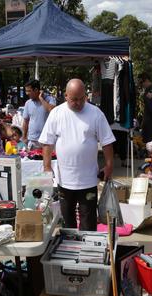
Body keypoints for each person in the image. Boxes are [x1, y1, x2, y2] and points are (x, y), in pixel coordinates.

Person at [39, 79, 115, 231]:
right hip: (64, 180)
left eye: (82, 99)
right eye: (74, 99)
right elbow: (47, 143)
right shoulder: (56, 113)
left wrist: (109, 165)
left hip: (88, 180)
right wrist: (47, 166)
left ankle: (88, 253)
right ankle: (70, 249)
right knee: (68, 222)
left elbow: (107, 142)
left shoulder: (95, 113)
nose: (78, 103)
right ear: (66, 96)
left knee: (88, 222)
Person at [22, 80, 56, 149]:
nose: (27, 93)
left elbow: (51, 110)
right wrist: (24, 137)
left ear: (36, 90)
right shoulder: (28, 103)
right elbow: (26, 121)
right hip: (32, 141)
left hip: (47, 141)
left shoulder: (50, 99)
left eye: (29, 91)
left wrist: (41, 99)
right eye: (26, 91)